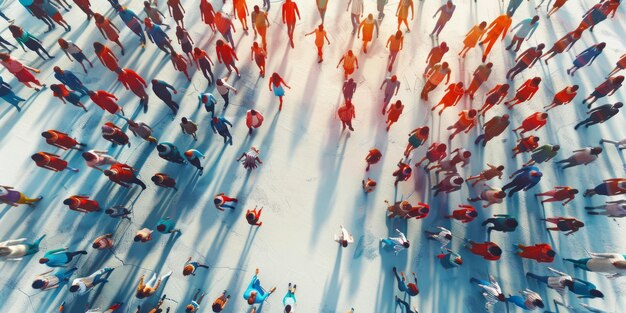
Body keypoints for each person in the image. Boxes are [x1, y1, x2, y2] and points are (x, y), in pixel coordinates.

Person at [527, 268, 604, 299]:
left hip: (574, 285)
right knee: (561, 286)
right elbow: (587, 296)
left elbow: (585, 282)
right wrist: (580, 297)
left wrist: (577, 279)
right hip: (574, 290)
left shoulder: (592, 286)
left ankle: (551, 285)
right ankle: (551, 286)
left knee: (560, 283)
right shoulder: (593, 295)